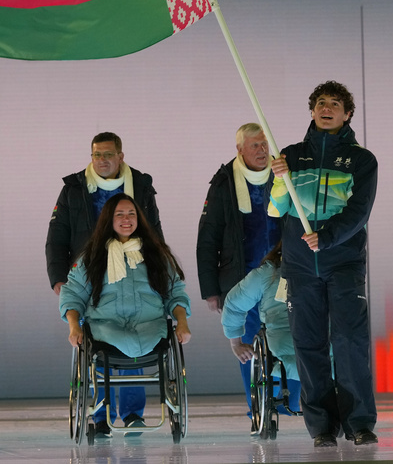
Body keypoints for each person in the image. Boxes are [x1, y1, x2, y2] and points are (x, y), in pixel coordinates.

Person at [268, 80, 378, 448]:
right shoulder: (292, 155)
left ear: (348, 114)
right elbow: (275, 209)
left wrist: (327, 237)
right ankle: (321, 428)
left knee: (349, 341)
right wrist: (280, 181)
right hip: (300, 267)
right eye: (320, 103)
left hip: (343, 262)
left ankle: (359, 422)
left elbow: (359, 211)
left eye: (334, 103)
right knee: (308, 345)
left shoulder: (362, 160)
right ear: (312, 111)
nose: (326, 108)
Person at [60, 194, 191, 436]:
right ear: (108, 220)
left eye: (131, 213)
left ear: (139, 218)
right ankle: (101, 417)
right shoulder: (91, 256)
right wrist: (73, 326)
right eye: (119, 214)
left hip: (148, 325)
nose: (126, 219)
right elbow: (73, 295)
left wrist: (182, 322)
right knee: (101, 352)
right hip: (105, 327)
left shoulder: (157, 254)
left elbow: (175, 293)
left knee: (136, 343)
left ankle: (132, 415)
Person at [196, 123, 280, 415]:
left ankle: (285, 400)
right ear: (240, 149)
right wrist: (211, 290)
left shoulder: (283, 174)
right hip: (241, 280)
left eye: (264, 144)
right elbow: (208, 238)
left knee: (284, 331)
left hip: (281, 275)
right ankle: (257, 406)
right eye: (254, 145)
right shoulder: (223, 183)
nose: (261, 150)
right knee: (247, 344)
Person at [46, 132, 162, 295]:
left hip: (135, 274)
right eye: (97, 155)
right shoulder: (73, 190)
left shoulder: (141, 186)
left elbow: (154, 232)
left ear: (120, 157)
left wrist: (162, 271)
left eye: (108, 154)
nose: (102, 160)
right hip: (87, 275)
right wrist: (58, 277)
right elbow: (57, 237)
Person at [221, 241, 302, 415]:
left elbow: (234, 304)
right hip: (323, 344)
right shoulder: (328, 269)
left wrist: (235, 342)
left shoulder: (268, 273)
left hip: (279, 343)